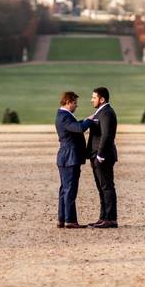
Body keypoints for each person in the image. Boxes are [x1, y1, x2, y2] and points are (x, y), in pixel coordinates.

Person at [55, 91, 92, 229]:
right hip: (70, 157)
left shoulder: (64, 115)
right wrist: (89, 120)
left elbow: (75, 126)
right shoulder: (64, 116)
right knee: (70, 189)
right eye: (75, 103)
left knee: (64, 189)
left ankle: (62, 219)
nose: (76, 106)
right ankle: (70, 220)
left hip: (65, 157)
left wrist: (85, 120)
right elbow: (79, 128)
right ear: (68, 102)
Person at [86, 86, 118, 228]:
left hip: (102, 157)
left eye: (94, 97)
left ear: (102, 99)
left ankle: (111, 219)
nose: (91, 100)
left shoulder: (107, 113)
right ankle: (103, 217)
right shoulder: (100, 112)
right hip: (96, 156)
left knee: (106, 187)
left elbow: (107, 135)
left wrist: (100, 155)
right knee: (101, 187)